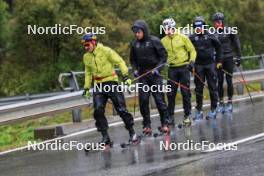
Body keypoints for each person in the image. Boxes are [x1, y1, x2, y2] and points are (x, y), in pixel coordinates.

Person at [82, 33, 139, 147]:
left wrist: (126, 76)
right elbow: (88, 73)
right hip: (98, 85)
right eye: (84, 46)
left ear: (94, 42)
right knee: (98, 111)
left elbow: (120, 62)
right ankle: (105, 138)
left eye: (87, 45)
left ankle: (132, 133)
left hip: (111, 82)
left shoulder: (106, 51)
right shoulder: (86, 57)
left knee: (121, 110)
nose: (86, 47)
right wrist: (87, 88)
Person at [130, 19, 170, 135]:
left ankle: (165, 123)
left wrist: (158, 68)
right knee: (143, 100)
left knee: (159, 100)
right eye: (135, 32)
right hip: (143, 76)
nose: (137, 34)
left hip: (155, 75)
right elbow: (132, 60)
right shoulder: (134, 44)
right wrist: (135, 70)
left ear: (144, 31)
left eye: (139, 32)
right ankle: (146, 125)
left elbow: (164, 57)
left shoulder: (154, 41)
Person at [161, 18, 197, 126]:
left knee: (185, 93)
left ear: (173, 27)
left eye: (168, 28)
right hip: (172, 69)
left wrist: (191, 62)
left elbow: (192, 50)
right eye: (165, 29)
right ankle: (170, 117)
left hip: (184, 68)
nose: (166, 31)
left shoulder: (182, 37)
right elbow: (161, 55)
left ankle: (187, 115)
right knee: (170, 93)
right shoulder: (163, 41)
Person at [189, 16, 222, 119]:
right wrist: (190, 63)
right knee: (198, 88)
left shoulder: (210, 35)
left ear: (204, 26)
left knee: (212, 87)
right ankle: (199, 110)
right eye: (196, 27)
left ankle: (214, 108)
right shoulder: (192, 37)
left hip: (210, 65)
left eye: (200, 26)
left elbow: (219, 47)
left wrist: (219, 61)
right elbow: (187, 50)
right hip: (198, 66)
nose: (198, 28)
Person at [212, 12, 242, 113]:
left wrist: (239, 57)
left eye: (219, 21)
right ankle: (221, 102)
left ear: (222, 22)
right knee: (219, 81)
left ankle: (230, 102)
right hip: (218, 60)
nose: (217, 23)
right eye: (215, 22)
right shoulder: (212, 33)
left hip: (229, 58)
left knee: (229, 80)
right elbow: (209, 47)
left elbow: (237, 43)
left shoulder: (229, 31)